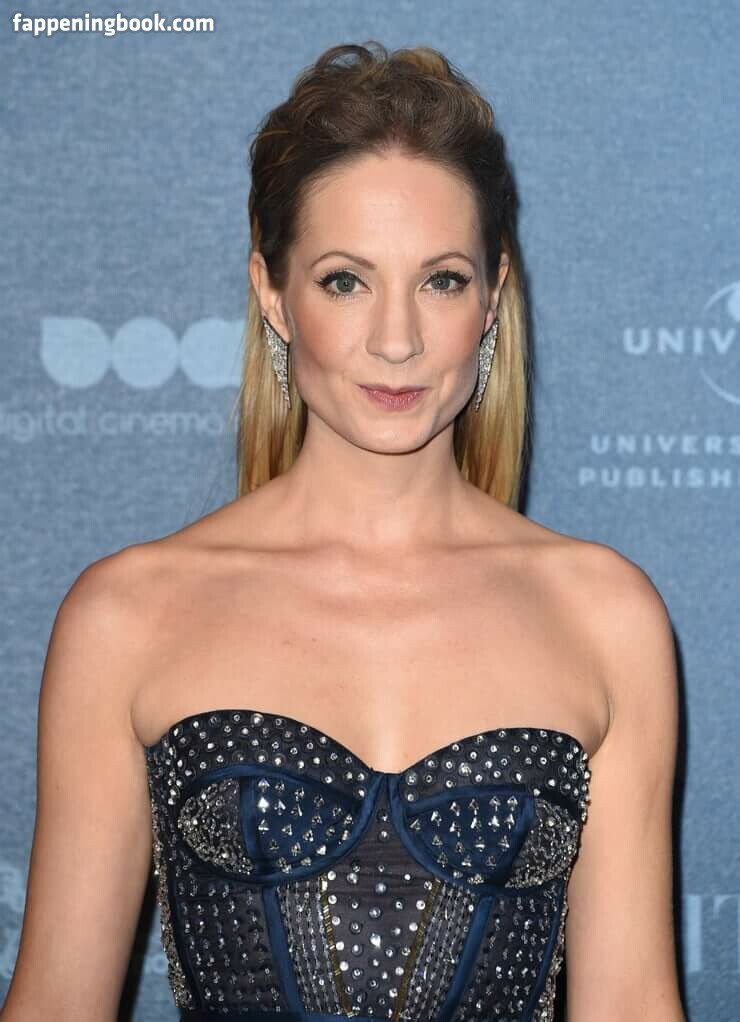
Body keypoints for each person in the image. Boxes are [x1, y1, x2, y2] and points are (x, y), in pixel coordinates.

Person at [1, 40, 686, 1022]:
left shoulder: (606, 616)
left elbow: (630, 1003)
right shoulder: (127, 615)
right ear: (272, 293)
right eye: (344, 281)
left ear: (492, 295)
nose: (396, 339)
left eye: (440, 280)